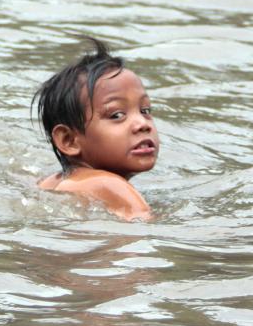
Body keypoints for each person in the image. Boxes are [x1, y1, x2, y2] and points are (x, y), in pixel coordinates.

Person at [33, 38, 159, 221]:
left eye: (145, 110)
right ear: (69, 140)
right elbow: (148, 229)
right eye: (116, 115)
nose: (142, 124)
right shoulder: (110, 185)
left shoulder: (53, 182)